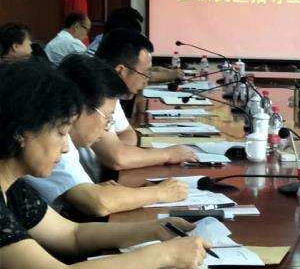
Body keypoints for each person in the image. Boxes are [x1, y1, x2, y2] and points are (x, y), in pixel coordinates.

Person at [0, 59, 206, 269]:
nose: (66, 148)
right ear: (22, 132)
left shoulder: (13, 187)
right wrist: (165, 255)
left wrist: (152, 230)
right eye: (60, 133)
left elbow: (72, 234)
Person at [24, 55, 189, 218]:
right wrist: (160, 192)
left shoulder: (64, 138)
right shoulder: (48, 141)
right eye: (108, 118)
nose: (107, 128)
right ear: (78, 108)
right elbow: (98, 203)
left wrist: (94, 189)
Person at [84, 29, 197, 181]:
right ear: (121, 71)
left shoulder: (110, 91)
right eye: (145, 74)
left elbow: (127, 133)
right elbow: (118, 158)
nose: (146, 81)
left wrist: (121, 150)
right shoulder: (92, 93)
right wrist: (168, 154)